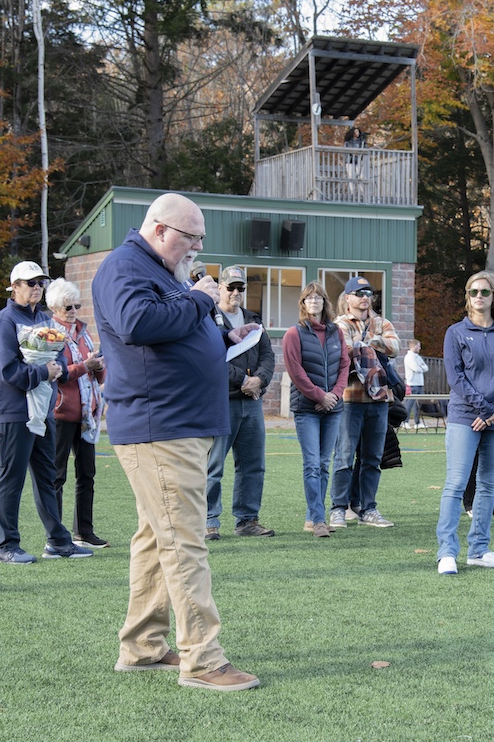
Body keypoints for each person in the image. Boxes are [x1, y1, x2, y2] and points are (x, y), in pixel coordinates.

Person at [92, 192, 260, 691]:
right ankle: (203, 660)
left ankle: (142, 647)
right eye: (192, 236)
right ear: (161, 229)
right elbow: (137, 324)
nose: (198, 246)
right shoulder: (124, 265)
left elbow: (168, 328)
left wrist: (221, 339)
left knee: (155, 538)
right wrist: (200, 300)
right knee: (185, 542)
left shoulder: (157, 271)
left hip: (175, 423)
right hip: (160, 426)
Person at [0, 261, 93, 564]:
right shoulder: (3, 322)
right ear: (14, 286)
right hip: (12, 413)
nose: (36, 287)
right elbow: (5, 370)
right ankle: (6, 546)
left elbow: (58, 357)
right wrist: (42, 372)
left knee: (47, 477)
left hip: (43, 411)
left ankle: (58, 542)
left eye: (40, 282)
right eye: (30, 282)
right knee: (11, 479)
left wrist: (56, 370)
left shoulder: (45, 318)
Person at [435, 272, 494, 574]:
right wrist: (483, 409)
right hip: (465, 417)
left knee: (488, 486)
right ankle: (446, 551)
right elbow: (455, 377)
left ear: (493, 296)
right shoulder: (456, 332)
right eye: (473, 292)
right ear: (467, 296)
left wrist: (493, 410)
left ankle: (479, 549)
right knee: (456, 483)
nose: (479, 296)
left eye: (485, 291)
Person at [205, 265, 276, 541]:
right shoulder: (210, 318)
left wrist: (259, 380)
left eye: (241, 288)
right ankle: (209, 520)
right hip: (222, 401)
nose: (236, 292)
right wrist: (242, 381)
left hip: (252, 402)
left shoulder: (253, 319)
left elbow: (268, 355)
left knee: (253, 464)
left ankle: (247, 519)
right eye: (231, 287)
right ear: (220, 288)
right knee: (214, 465)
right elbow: (210, 358)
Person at [329, 275, 401, 529]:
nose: (364, 298)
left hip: (379, 399)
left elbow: (395, 346)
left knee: (372, 457)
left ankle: (368, 508)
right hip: (350, 399)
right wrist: (372, 345)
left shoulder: (382, 322)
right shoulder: (340, 323)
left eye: (367, 294)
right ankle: (338, 508)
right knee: (344, 457)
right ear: (347, 298)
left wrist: (371, 343)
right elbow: (344, 350)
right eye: (358, 294)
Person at [283, 281, 350, 538]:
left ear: (325, 302)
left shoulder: (336, 332)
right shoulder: (293, 334)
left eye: (318, 298)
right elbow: (296, 371)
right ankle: (320, 520)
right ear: (303, 304)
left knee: (324, 464)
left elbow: (344, 365)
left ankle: (313, 518)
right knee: (312, 464)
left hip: (333, 407)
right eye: (309, 298)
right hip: (307, 408)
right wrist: (318, 395)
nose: (314, 302)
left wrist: (333, 395)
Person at [47, 278, 109, 549]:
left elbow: (98, 372)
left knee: (87, 473)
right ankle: (57, 533)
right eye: (67, 306)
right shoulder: (50, 332)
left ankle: (84, 530)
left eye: (76, 305)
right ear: (54, 307)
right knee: (56, 475)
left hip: (87, 414)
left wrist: (98, 366)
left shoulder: (83, 332)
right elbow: (59, 373)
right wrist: (86, 365)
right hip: (61, 413)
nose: (73, 310)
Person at [403, 339, 429, 429]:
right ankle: (405, 422)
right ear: (414, 346)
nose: (420, 348)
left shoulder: (418, 357)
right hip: (411, 383)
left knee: (418, 404)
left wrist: (420, 367)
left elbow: (426, 368)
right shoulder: (409, 357)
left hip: (420, 383)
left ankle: (417, 422)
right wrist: (420, 367)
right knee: (409, 403)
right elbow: (416, 368)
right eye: (418, 346)